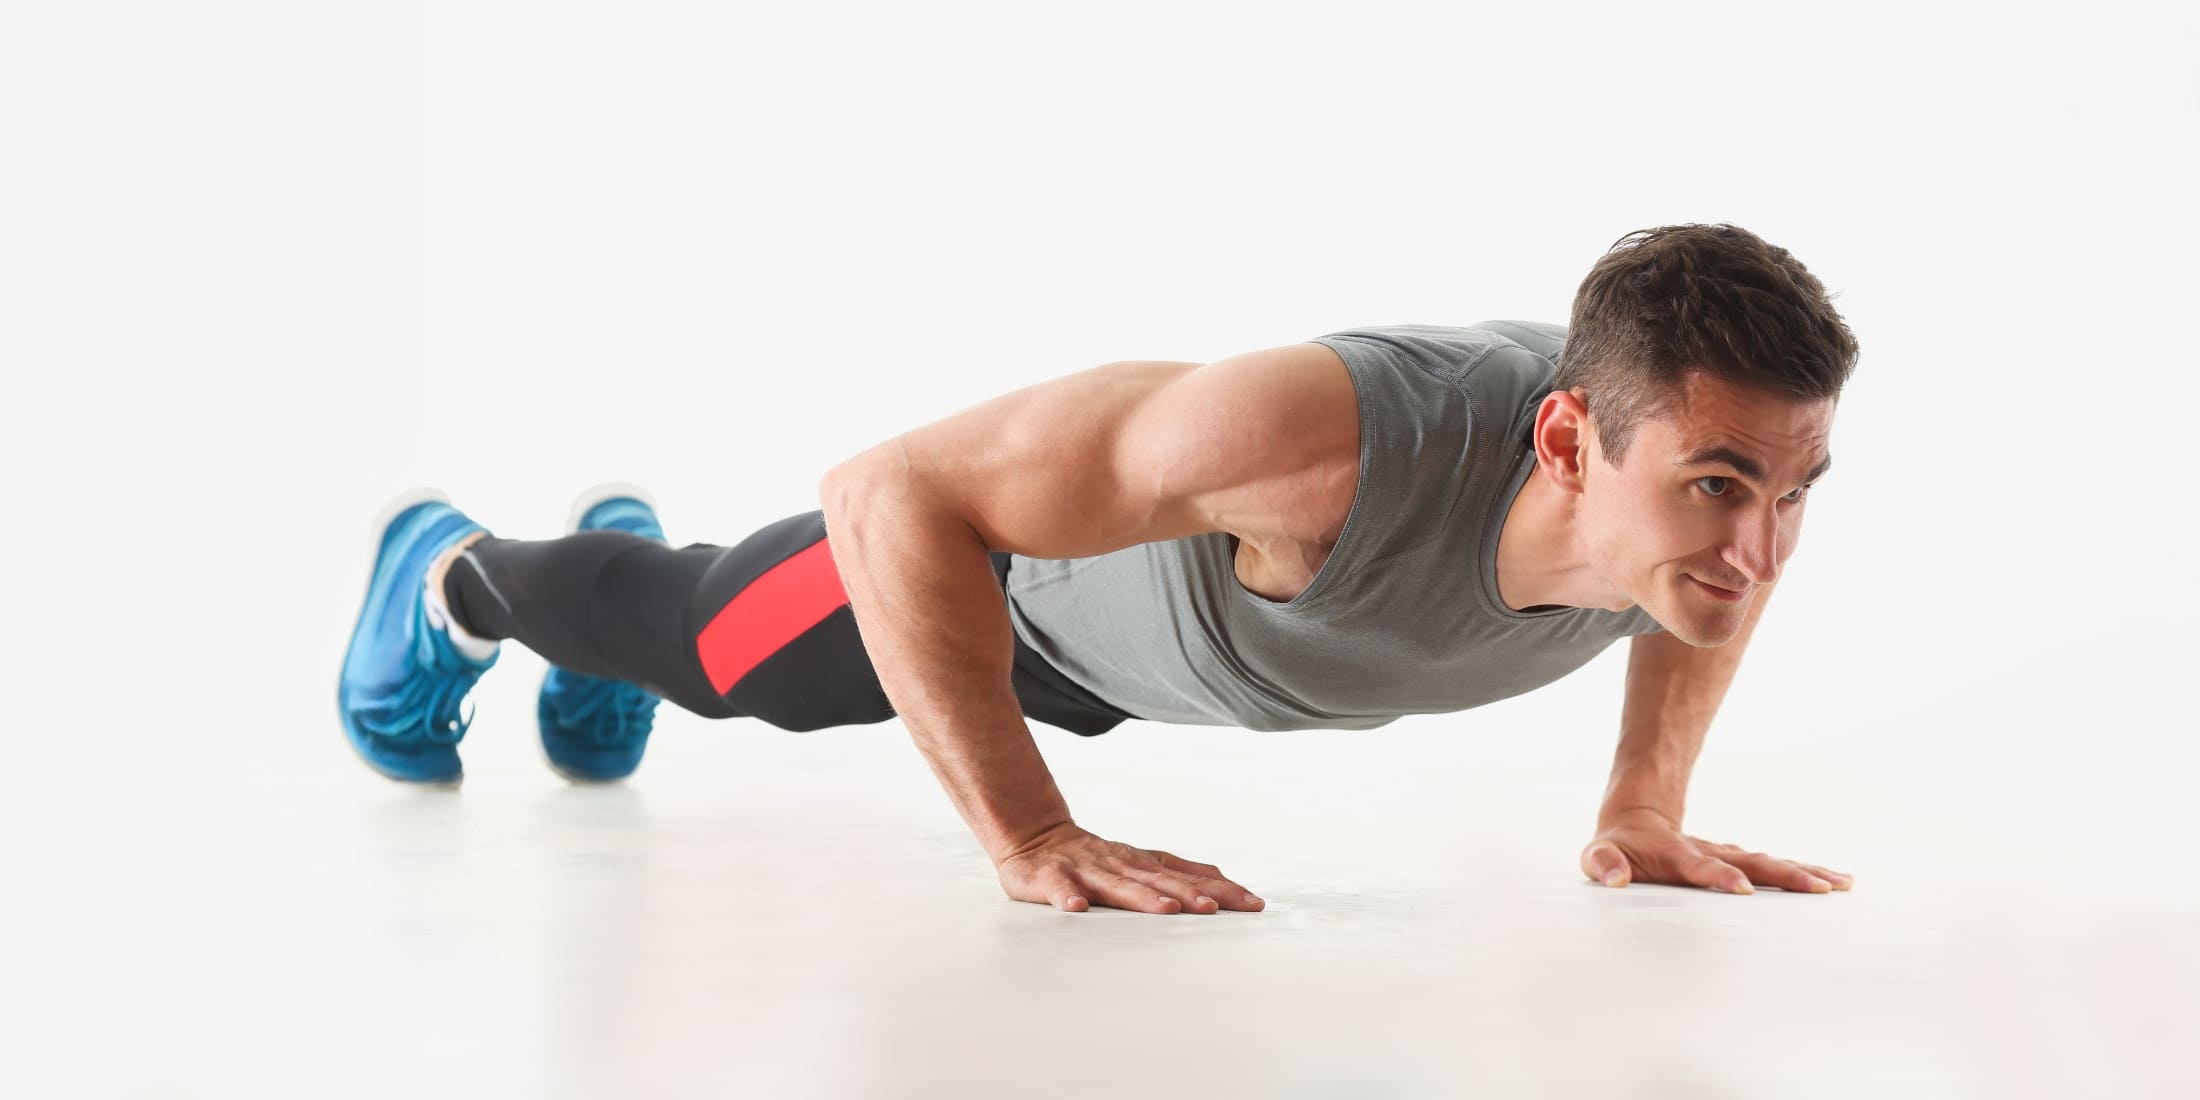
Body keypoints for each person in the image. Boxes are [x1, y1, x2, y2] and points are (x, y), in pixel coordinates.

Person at [339, 222, 1860, 915]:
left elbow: (1701, 583)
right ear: (1568, 442)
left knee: (698, 642)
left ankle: (612, 574)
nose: (1760, 548)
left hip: (1148, 668)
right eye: (1721, 486)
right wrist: (1028, 832)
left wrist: (1645, 807)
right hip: (996, 599)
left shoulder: (1696, 508)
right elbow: (890, 491)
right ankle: (461, 576)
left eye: (1796, 489)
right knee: (728, 663)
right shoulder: (1318, 450)